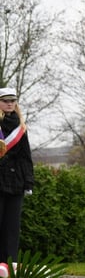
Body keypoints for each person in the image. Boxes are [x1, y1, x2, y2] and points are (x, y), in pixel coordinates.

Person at [0, 88, 34, 263]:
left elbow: (26, 156)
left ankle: (10, 264)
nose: (9, 104)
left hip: (15, 181)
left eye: (12, 101)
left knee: (12, 225)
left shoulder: (20, 127)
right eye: (5, 101)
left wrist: (28, 182)